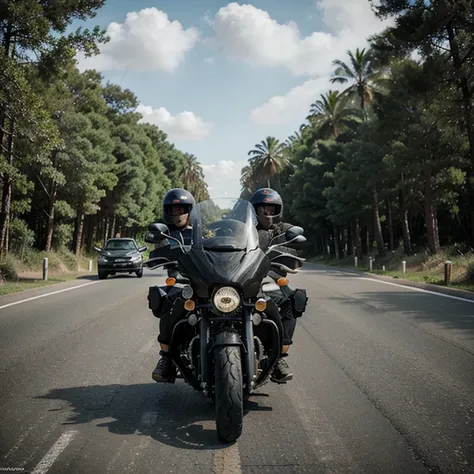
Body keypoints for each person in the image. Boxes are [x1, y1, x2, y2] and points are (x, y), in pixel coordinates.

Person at [249, 187, 301, 384]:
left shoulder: (285, 231)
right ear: (254, 211)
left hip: (271, 279)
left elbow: (294, 251)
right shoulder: (244, 231)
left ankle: (279, 357)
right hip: (245, 278)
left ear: (278, 210)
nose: (266, 213)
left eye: (271, 209)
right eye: (262, 209)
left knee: (294, 299)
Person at [149, 188, 195, 383]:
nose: (177, 214)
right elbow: (157, 254)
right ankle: (166, 358)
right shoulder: (165, 235)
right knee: (168, 302)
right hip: (180, 282)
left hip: (205, 279)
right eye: (172, 211)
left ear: (189, 210)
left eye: (181, 209)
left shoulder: (202, 232)